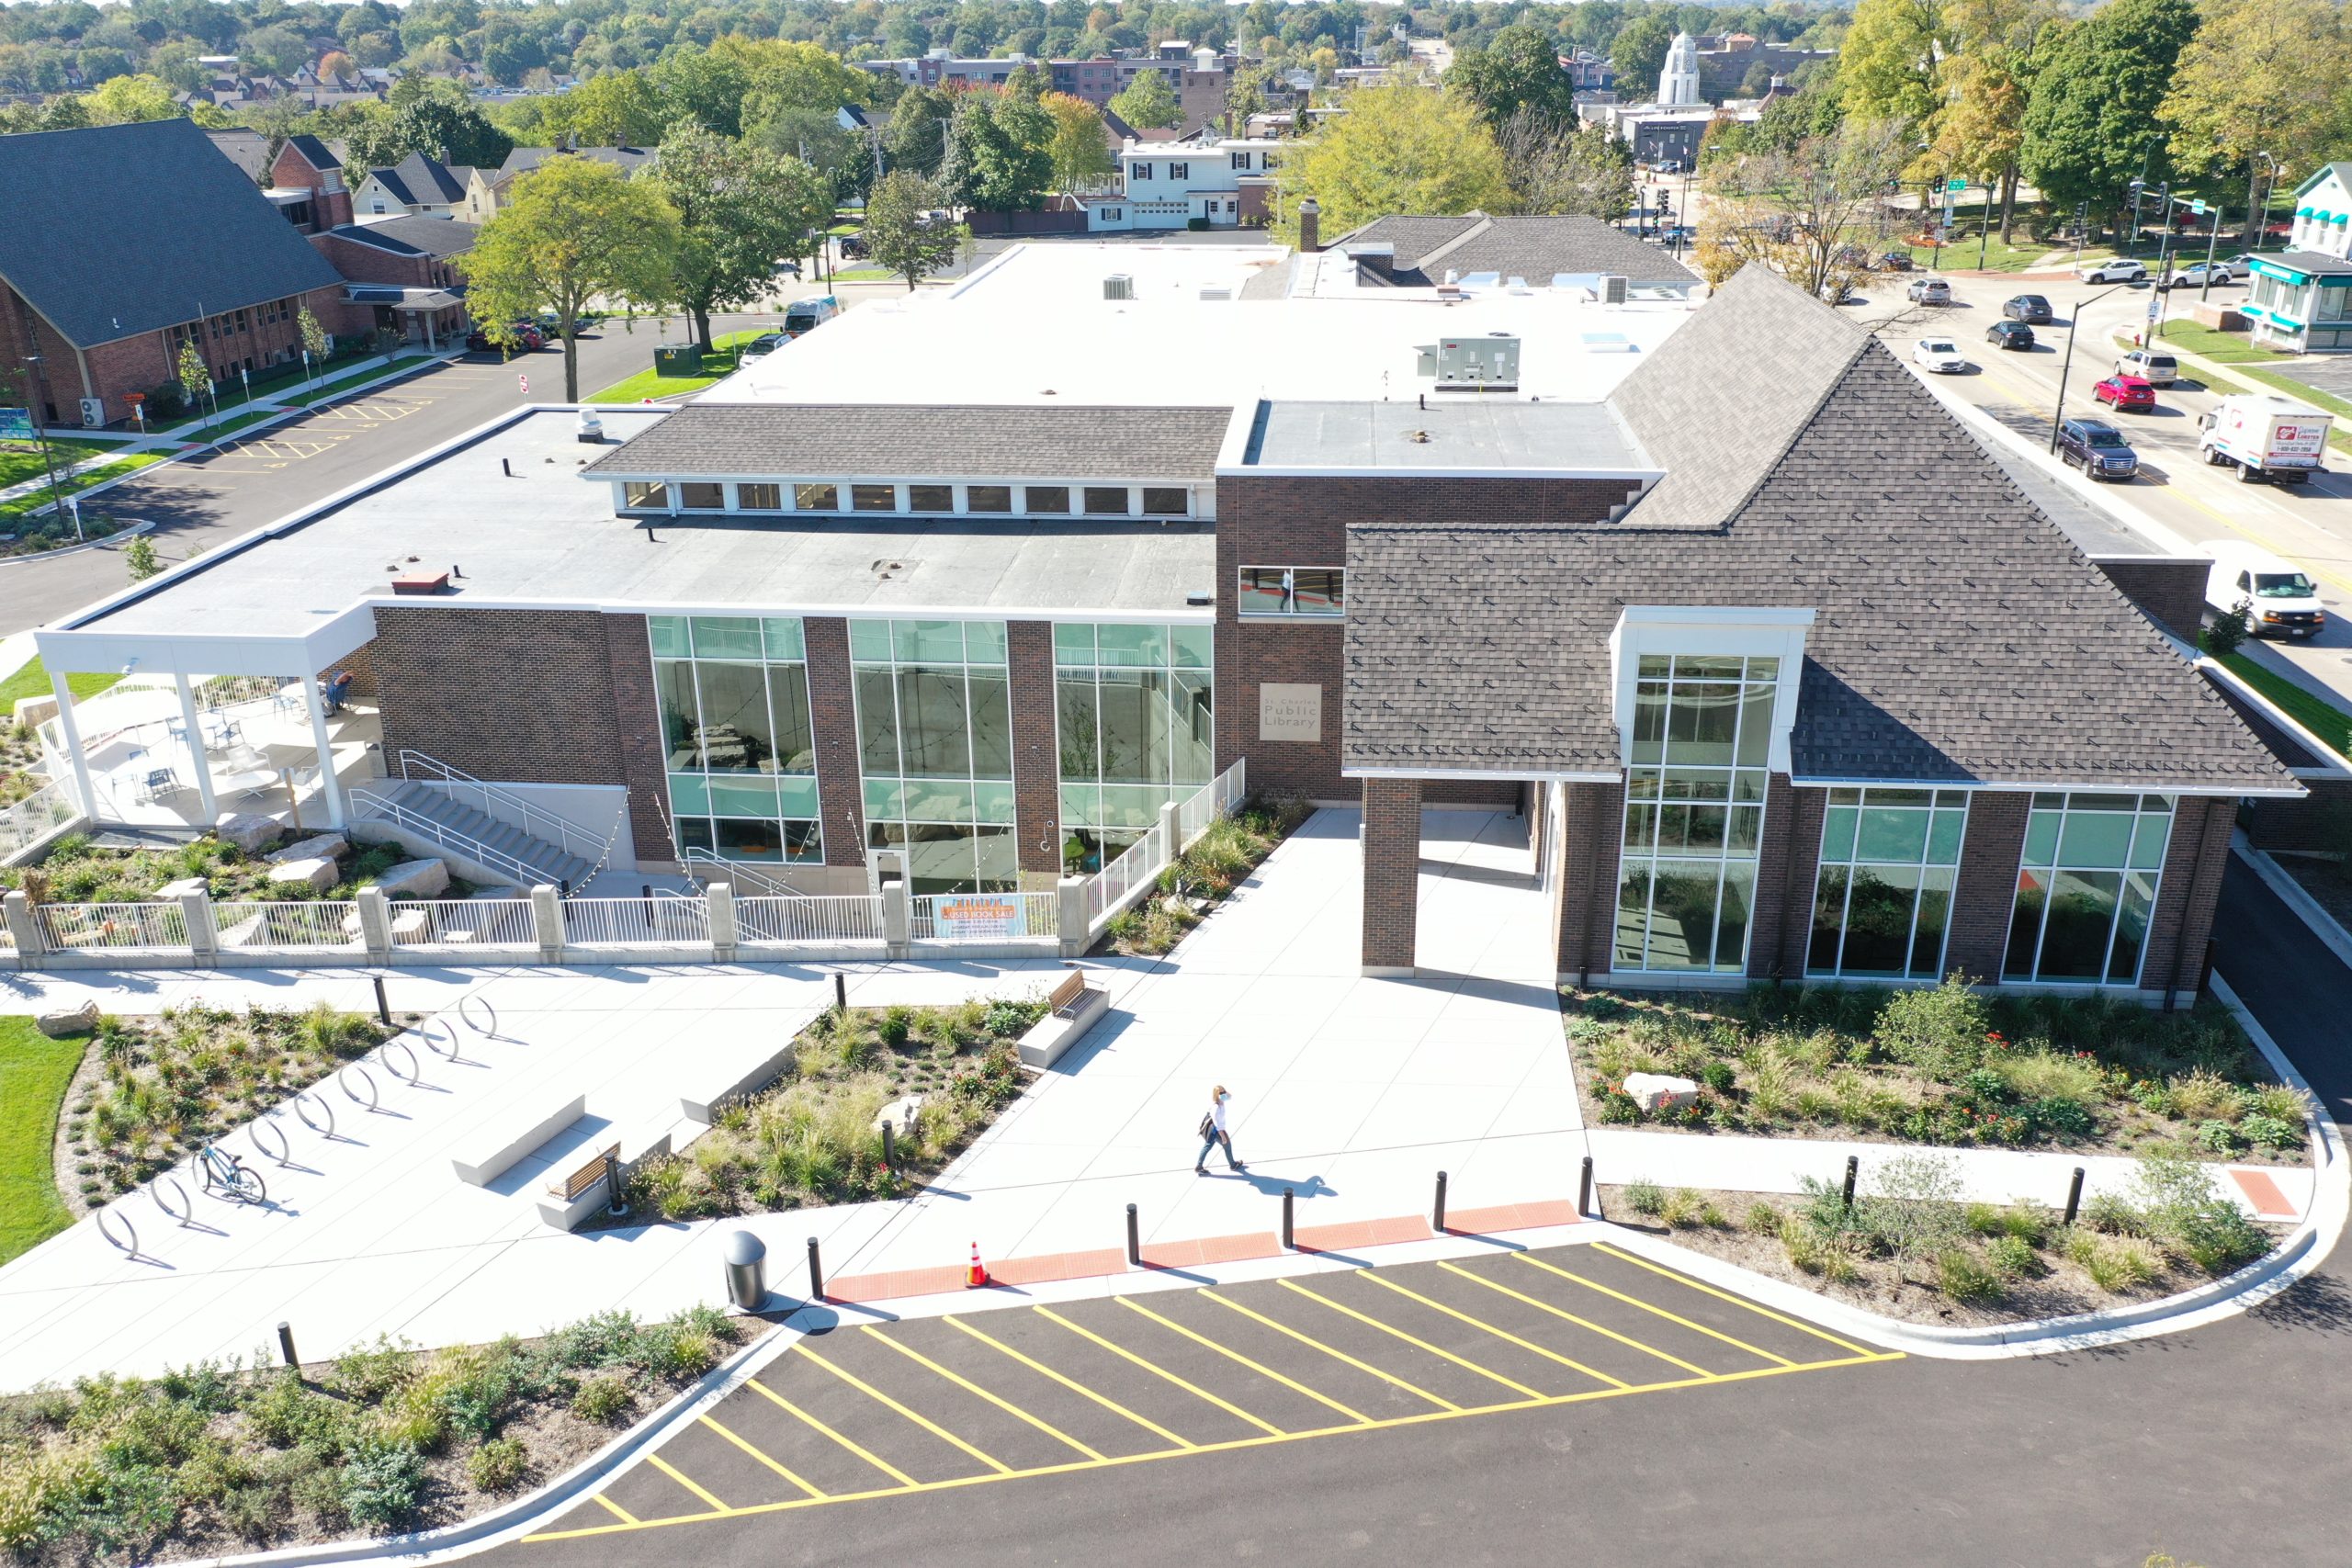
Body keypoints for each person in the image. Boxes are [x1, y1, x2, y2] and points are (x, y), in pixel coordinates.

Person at [1194, 1085, 1242, 1174]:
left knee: (1207, 1146)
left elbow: (1230, 1096)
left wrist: (1224, 1091)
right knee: (1227, 1145)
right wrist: (1223, 1136)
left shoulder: (1221, 1101)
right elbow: (1217, 1124)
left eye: (1224, 1091)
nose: (1224, 1094)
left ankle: (1199, 1166)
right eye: (1221, 1093)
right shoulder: (1216, 1107)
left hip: (1215, 1131)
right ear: (1217, 1094)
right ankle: (1233, 1165)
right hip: (1217, 1131)